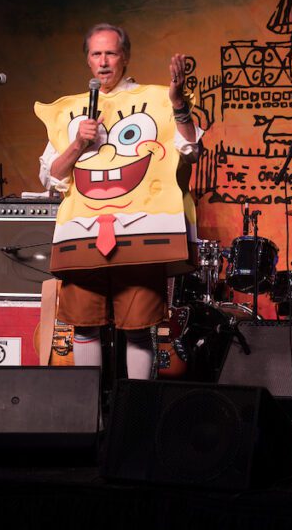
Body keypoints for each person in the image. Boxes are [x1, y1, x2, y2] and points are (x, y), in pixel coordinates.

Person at [36, 23, 203, 379]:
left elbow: (190, 151)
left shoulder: (159, 100)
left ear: (125, 57)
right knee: (83, 326)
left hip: (141, 231)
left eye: (111, 53)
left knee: (139, 327)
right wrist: (78, 143)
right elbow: (52, 177)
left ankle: (136, 418)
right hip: (83, 233)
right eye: (96, 54)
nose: (104, 61)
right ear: (87, 61)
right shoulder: (71, 112)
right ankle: (90, 413)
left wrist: (177, 105)